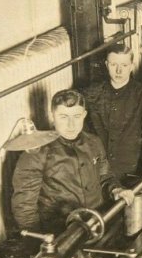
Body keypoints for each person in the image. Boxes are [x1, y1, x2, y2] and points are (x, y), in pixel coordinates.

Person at [12, 89, 135, 234]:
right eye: (63, 117)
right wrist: (38, 241)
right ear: (53, 116)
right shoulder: (36, 152)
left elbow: (105, 177)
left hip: (97, 224)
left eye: (76, 116)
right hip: (60, 232)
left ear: (84, 115)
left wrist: (116, 189)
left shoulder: (93, 142)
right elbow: (24, 206)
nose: (71, 125)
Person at [84, 44, 142, 182]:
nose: (118, 70)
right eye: (113, 64)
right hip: (99, 168)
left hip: (131, 169)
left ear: (132, 66)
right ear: (106, 64)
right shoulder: (92, 93)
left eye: (124, 65)